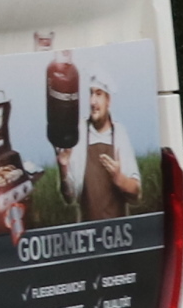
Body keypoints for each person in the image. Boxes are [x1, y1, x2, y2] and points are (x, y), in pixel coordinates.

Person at [57, 70, 142, 221]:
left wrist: (120, 179)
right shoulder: (80, 133)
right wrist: (63, 169)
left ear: (108, 100)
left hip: (118, 231)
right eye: (91, 94)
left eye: (98, 94)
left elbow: (136, 193)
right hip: (87, 231)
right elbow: (70, 197)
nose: (92, 102)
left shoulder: (119, 133)